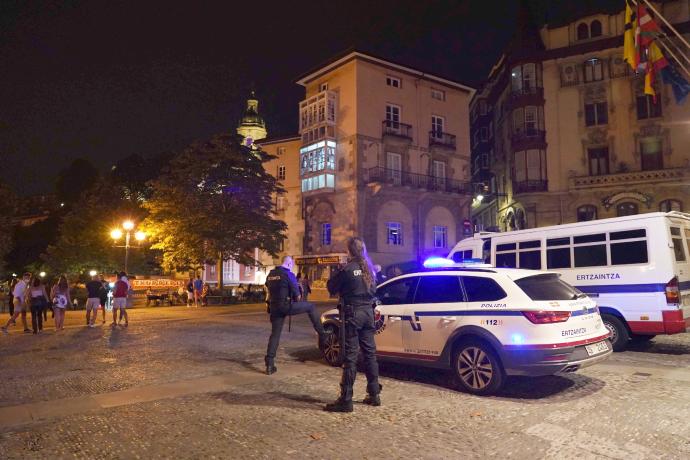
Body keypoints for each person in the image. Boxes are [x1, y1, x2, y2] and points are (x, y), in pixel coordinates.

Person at [324, 237, 381, 413]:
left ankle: (346, 399)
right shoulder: (369, 269)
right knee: (370, 354)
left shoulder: (347, 269)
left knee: (350, 357)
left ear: (350, 251)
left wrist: (337, 270)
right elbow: (373, 290)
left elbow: (331, 287)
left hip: (353, 314)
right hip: (368, 314)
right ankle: (374, 394)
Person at [264, 256, 329, 375]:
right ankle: (322, 334)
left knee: (275, 335)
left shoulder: (271, 274)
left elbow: (267, 287)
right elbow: (298, 296)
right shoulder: (288, 274)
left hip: (274, 308)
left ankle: (269, 363)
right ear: (289, 264)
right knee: (311, 307)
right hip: (285, 306)